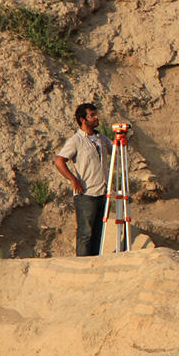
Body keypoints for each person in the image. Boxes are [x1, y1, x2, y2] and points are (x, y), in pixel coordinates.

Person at [53, 103, 113, 257]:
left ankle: (95, 263)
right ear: (83, 120)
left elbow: (115, 150)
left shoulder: (101, 137)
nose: (96, 117)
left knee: (98, 234)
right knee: (85, 233)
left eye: (95, 114)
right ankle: (83, 266)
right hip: (86, 193)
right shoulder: (76, 140)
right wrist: (73, 180)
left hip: (102, 192)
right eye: (92, 115)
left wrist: (123, 137)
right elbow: (59, 161)